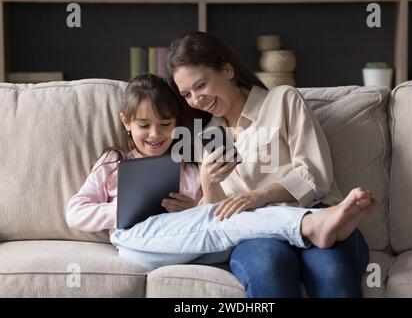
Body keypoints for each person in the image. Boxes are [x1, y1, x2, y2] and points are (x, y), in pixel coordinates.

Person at [66, 73, 377, 270]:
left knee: (227, 219)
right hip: (136, 240)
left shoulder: (188, 163)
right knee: (221, 224)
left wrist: (196, 203)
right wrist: (125, 208)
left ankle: (312, 225)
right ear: (126, 123)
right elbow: (76, 212)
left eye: (165, 125)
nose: (155, 135)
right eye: (144, 126)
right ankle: (310, 224)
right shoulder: (113, 162)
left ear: (177, 125)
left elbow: (213, 213)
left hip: (195, 242)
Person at [166, 31, 377, 297]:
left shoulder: (282, 101)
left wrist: (259, 195)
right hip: (256, 231)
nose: (196, 100)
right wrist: (209, 183)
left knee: (331, 272)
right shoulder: (207, 135)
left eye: (200, 85)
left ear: (227, 70)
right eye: (187, 94)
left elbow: (315, 174)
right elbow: (218, 218)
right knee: (267, 270)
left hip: (314, 213)